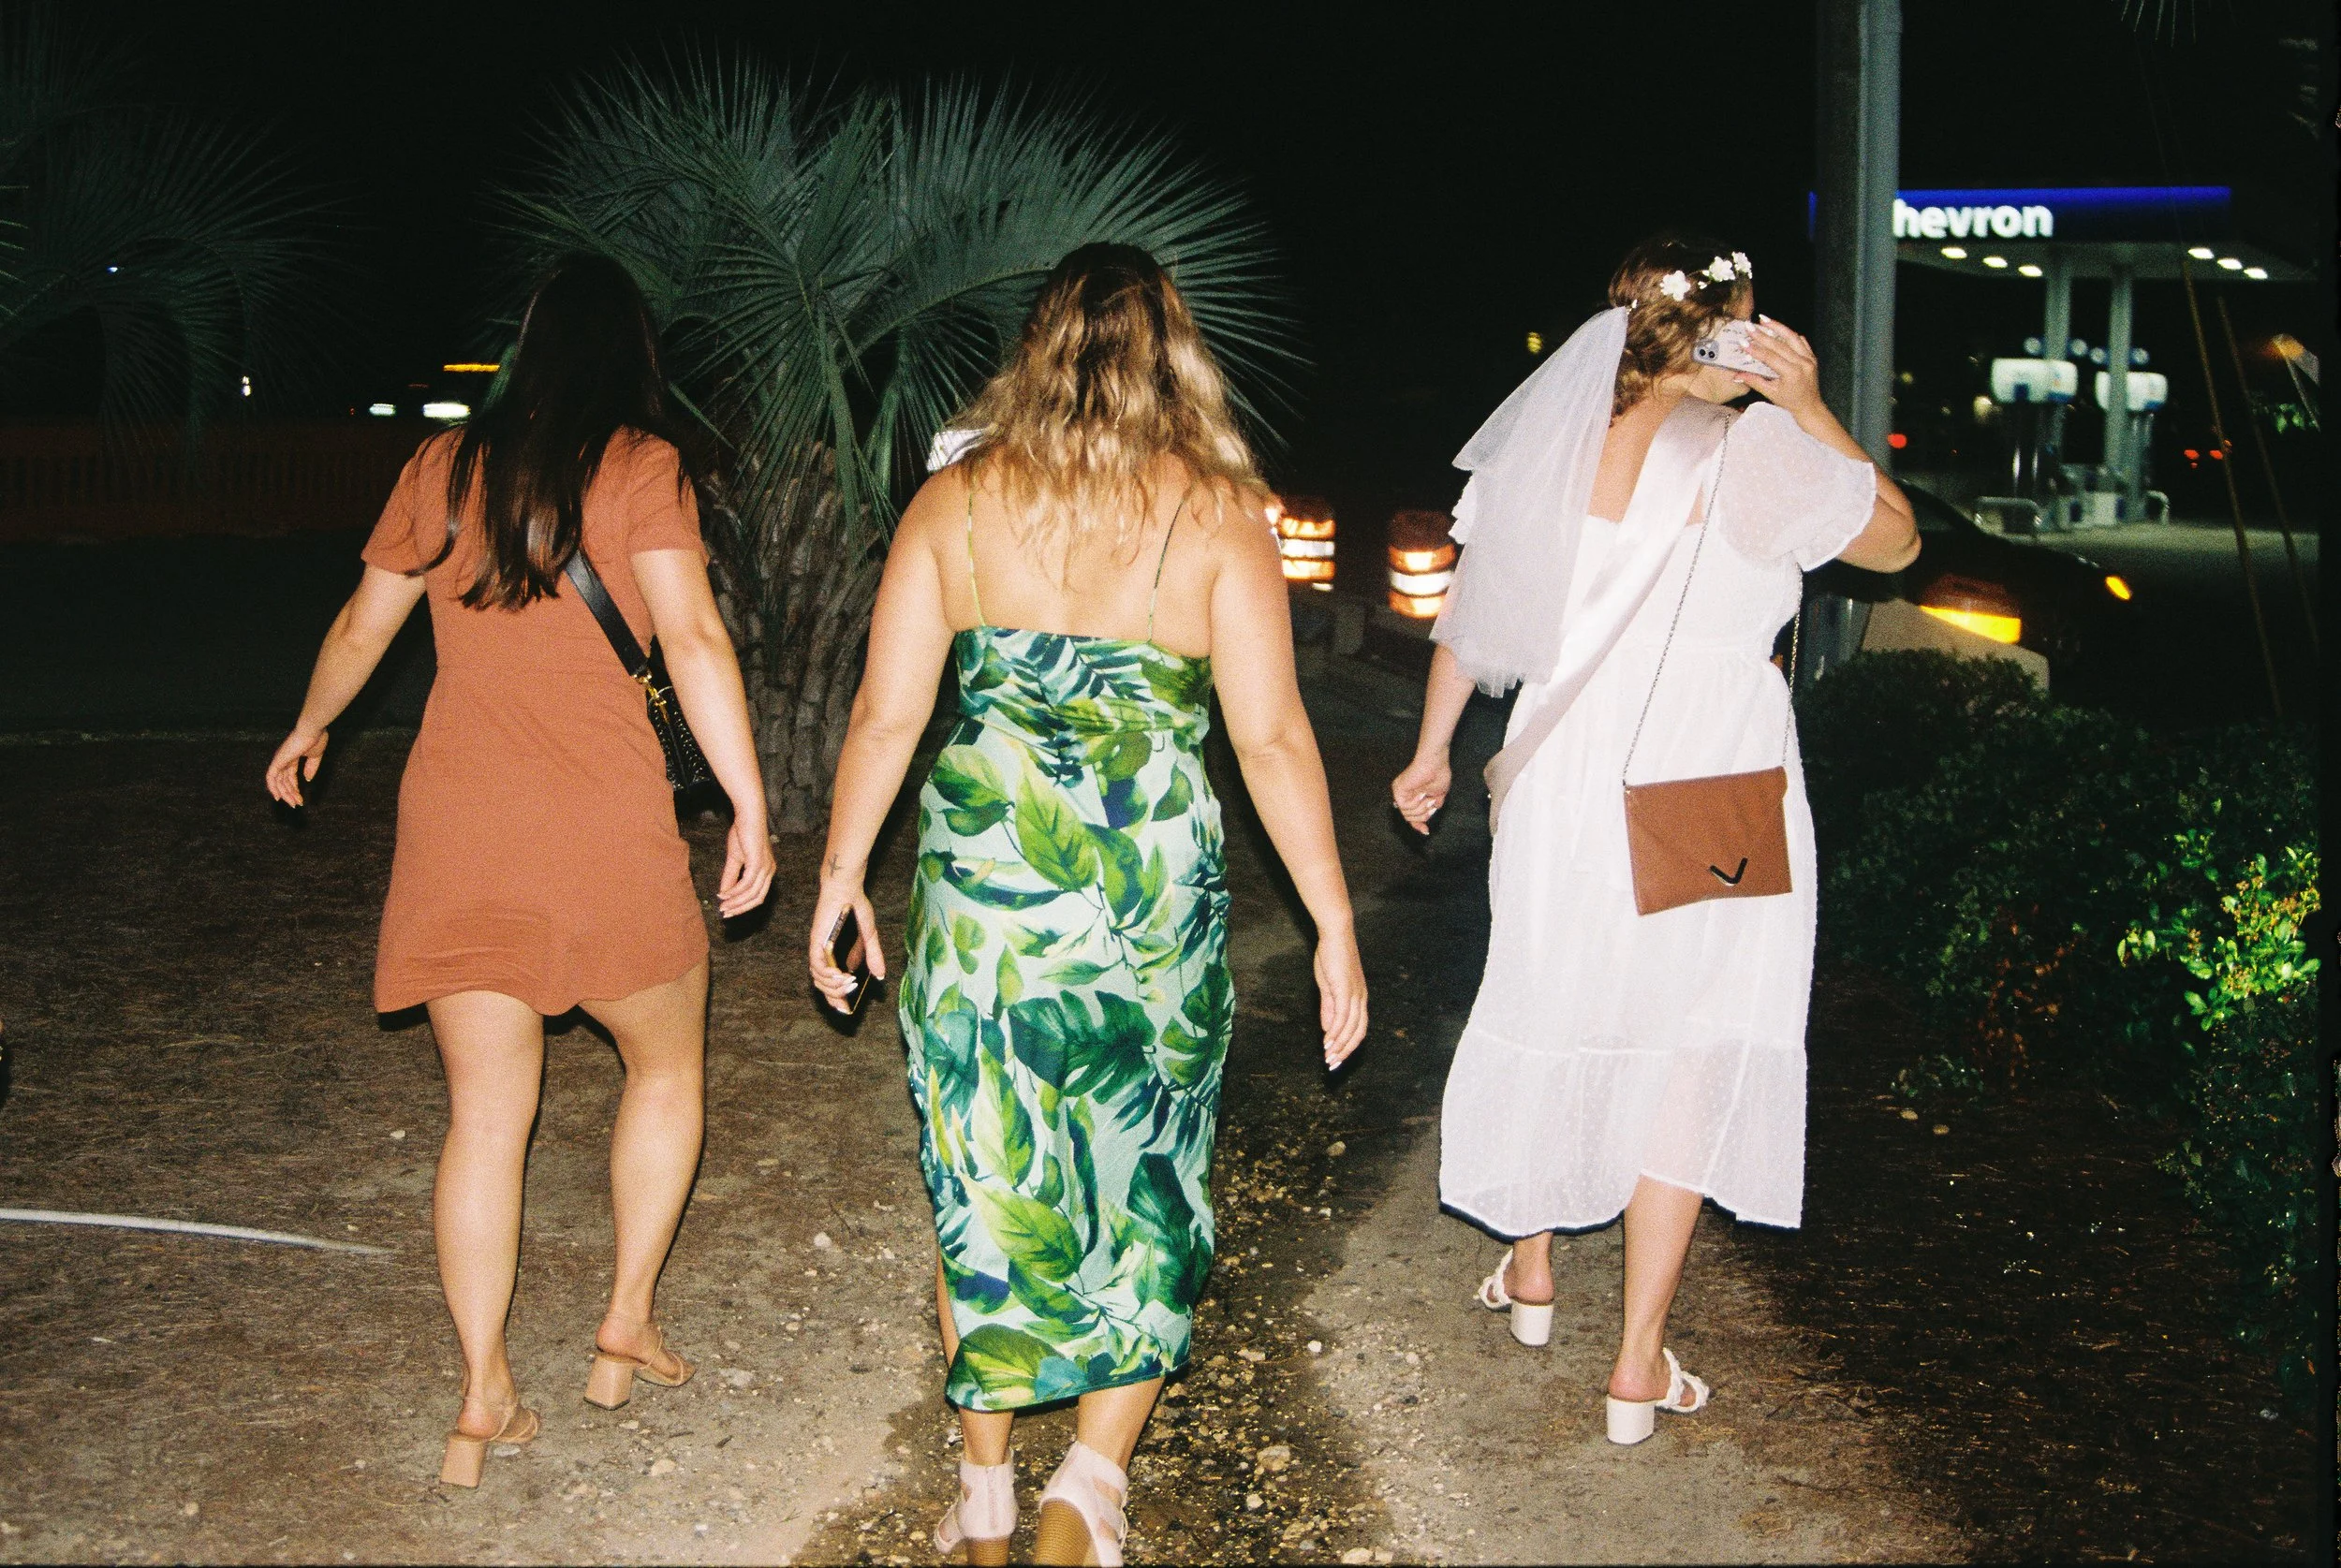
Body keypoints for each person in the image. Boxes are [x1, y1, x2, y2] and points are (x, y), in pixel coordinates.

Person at [808, 243, 1368, 1565]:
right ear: (1177, 352)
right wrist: (1334, 921)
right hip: (1145, 897)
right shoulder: (1223, 514)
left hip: (993, 894)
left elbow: (888, 713)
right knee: (1148, 1179)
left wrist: (840, 876)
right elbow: (1275, 738)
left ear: (1037, 348)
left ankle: (990, 1490)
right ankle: (1092, 1487)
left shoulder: (954, 504)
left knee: (988, 1165)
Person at [1390, 234, 1918, 1445]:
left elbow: (1473, 621)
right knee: (1689, 1040)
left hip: (1563, 779)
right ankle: (1635, 1363)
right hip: (1712, 785)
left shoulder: (1543, 443)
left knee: (1559, 995)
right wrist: (1815, 404)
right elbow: (1894, 544)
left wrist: (1431, 754)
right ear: (1724, 333)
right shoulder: (1757, 451)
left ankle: (1531, 1268)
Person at [264, 254, 775, 1488]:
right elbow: (696, 636)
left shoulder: (441, 469)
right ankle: (624, 1318)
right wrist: (752, 801)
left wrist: (309, 724)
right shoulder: (644, 470)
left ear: (527, 349)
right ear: (631, 358)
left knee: (484, 1118)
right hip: (603, 829)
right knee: (666, 1065)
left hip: (462, 826)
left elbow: (361, 625)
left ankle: (483, 1393)